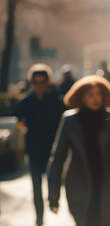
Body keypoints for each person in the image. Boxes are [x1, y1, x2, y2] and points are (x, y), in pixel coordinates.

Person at [47, 75, 110, 226]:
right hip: (78, 186)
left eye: (98, 94)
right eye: (91, 95)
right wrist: (53, 197)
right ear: (82, 98)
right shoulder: (69, 120)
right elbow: (58, 158)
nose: (96, 98)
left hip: (108, 185)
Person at [1, 63, 65, 226]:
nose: (39, 85)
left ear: (48, 81)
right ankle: (39, 217)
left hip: (53, 150)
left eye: (42, 81)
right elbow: (11, 113)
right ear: (31, 82)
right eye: (36, 82)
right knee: (36, 187)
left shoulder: (57, 102)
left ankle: (53, 203)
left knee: (54, 182)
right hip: (34, 151)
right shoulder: (26, 102)